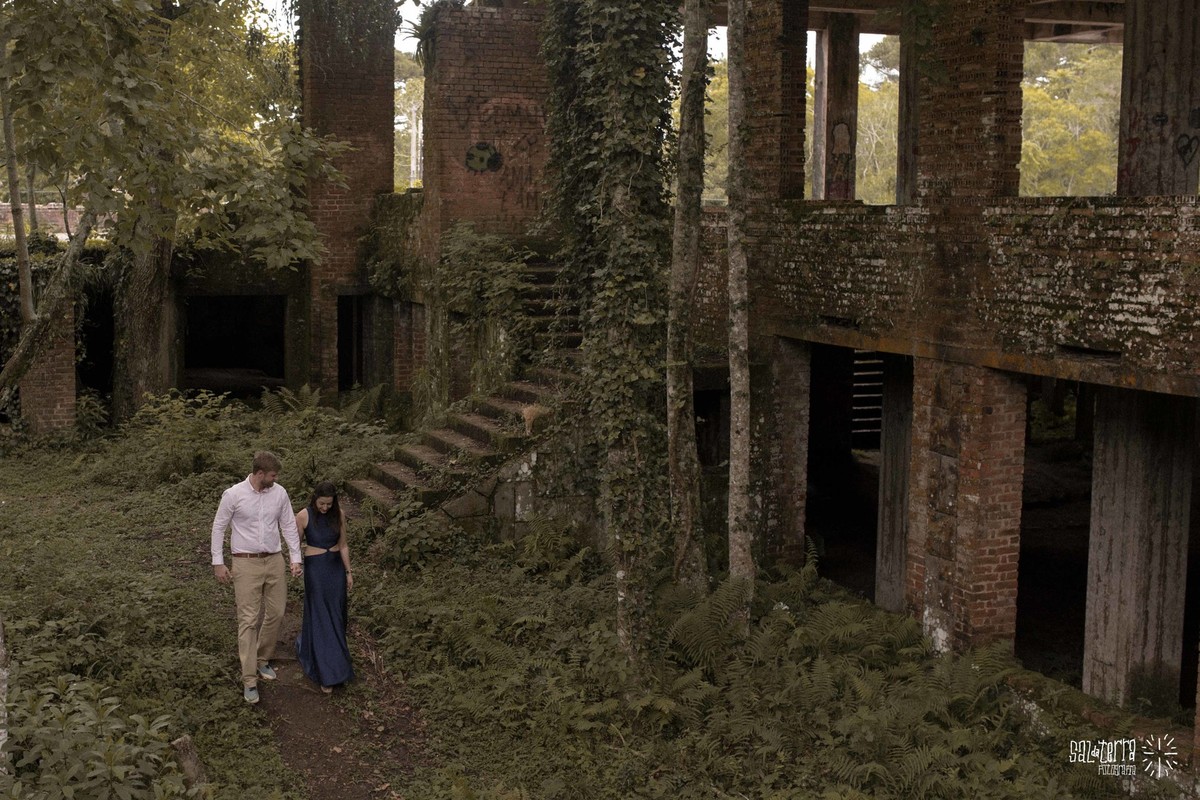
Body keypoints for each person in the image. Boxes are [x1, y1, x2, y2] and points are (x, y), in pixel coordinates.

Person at [211, 451, 303, 704]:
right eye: (273, 475)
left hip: (274, 560)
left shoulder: (279, 493)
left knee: (277, 612)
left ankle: (262, 659)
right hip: (245, 563)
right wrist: (218, 562)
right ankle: (249, 678)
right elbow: (219, 526)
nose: (276, 478)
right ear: (260, 473)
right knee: (248, 620)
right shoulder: (234, 495)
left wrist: (296, 558)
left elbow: (287, 525)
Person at [294, 480, 354, 693]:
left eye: (329, 504)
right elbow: (295, 546)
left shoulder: (339, 514)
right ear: (315, 499)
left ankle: (336, 665)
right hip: (316, 571)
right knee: (321, 616)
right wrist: (296, 564)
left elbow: (343, 545)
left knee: (336, 615)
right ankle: (326, 673)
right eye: (322, 503)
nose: (325, 508)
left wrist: (348, 572)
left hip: (335, 569)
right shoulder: (303, 515)